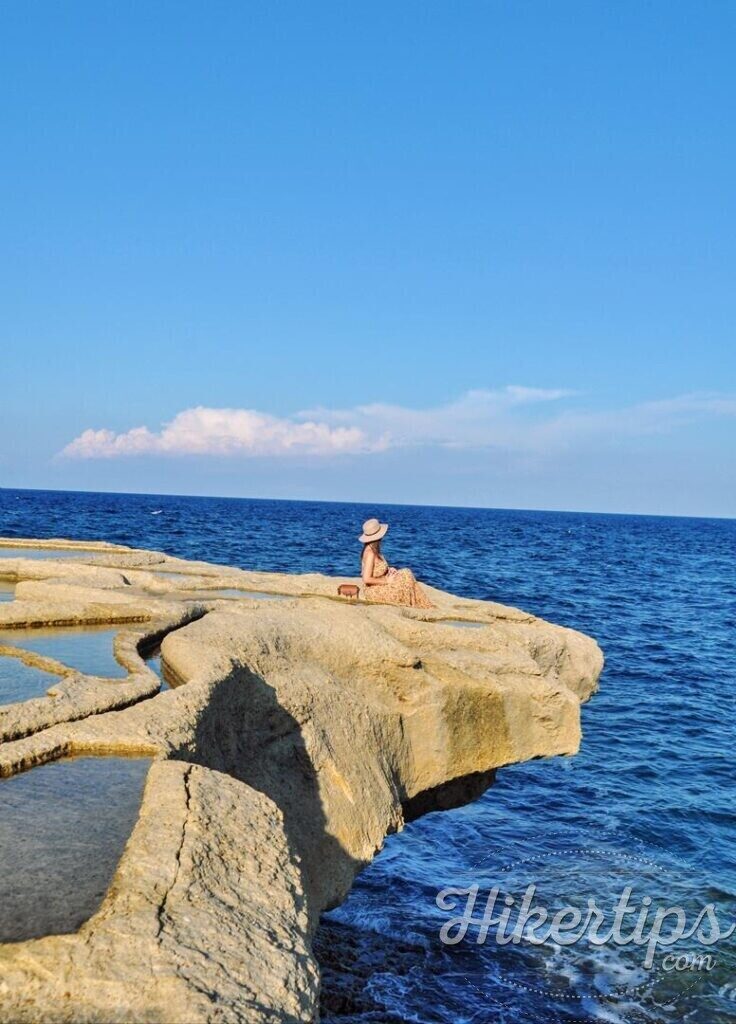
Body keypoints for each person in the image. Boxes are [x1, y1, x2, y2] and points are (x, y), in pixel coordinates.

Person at [359, 518, 434, 608]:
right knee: (406, 577)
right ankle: (420, 605)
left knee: (406, 572)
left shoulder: (374, 548)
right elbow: (366, 579)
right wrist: (386, 581)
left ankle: (419, 603)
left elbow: (376, 568)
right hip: (374, 591)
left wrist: (388, 570)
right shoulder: (370, 553)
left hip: (378, 584)